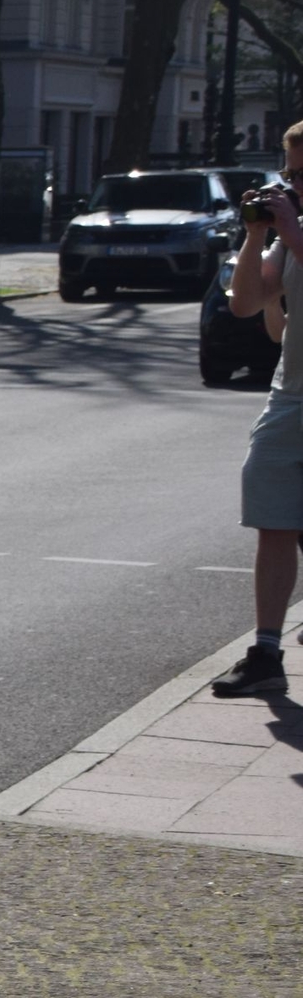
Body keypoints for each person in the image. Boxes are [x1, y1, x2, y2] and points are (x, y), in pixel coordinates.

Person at [211, 121, 303, 698]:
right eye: (290, 173)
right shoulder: (290, 233)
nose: (293, 185)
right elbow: (246, 303)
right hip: (291, 396)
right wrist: (254, 237)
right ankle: (266, 651)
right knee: (273, 520)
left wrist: (291, 232)